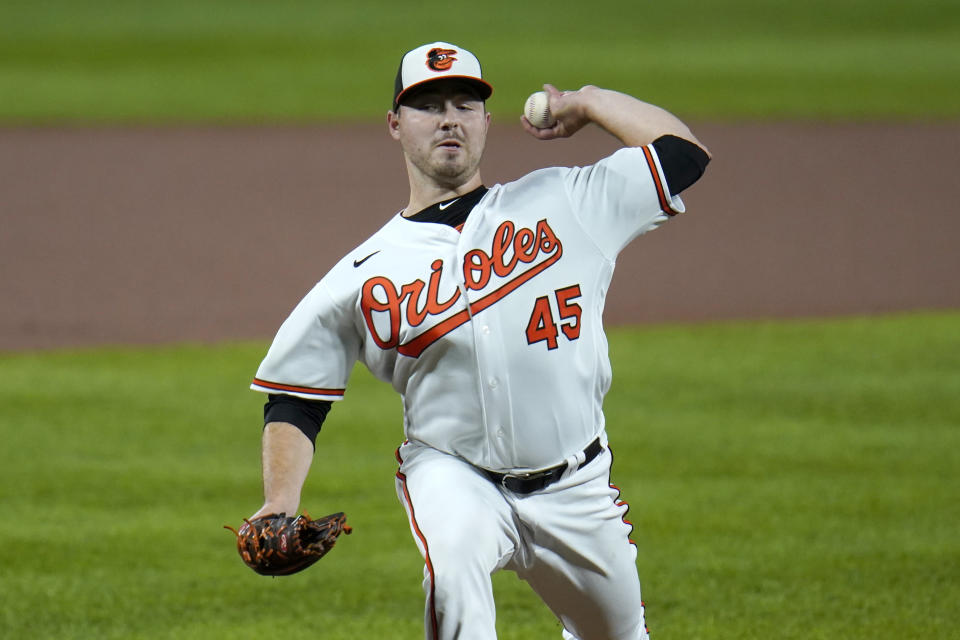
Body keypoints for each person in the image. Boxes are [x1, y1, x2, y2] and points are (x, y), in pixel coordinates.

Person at [246, 41, 711, 640]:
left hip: (578, 487)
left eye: (465, 104)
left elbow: (683, 154)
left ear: (486, 122)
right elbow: (296, 397)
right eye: (428, 105)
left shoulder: (568, 201)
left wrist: (591, 102)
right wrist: (280, 497)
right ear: (395, 124)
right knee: (453, 579)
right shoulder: (362, 274)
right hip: (454, 474)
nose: (448, 118)